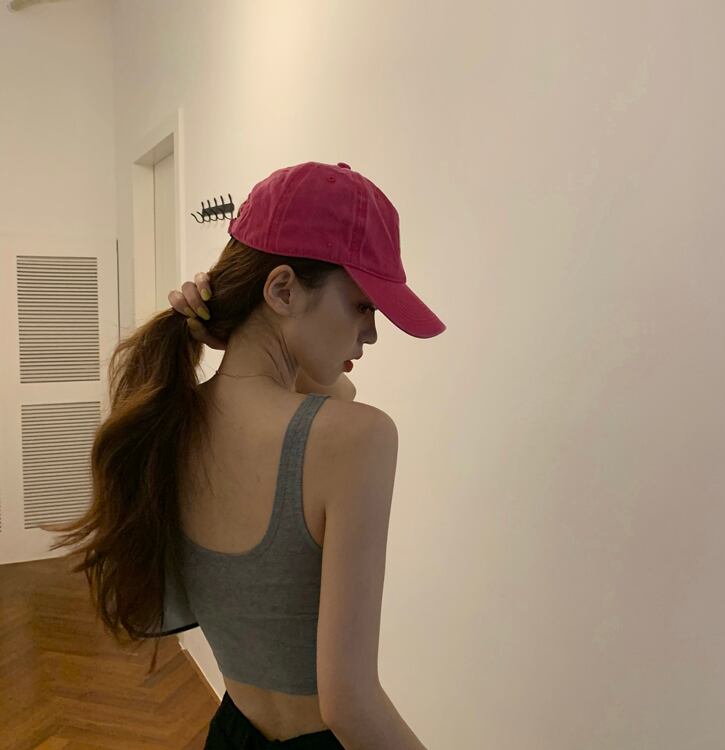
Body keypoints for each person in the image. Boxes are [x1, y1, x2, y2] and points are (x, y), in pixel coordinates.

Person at [46, 161, 445, 749]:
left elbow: (330, 392)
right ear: (282, 289)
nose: (372, 333)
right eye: (363, 306)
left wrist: (234, 338)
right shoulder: (359, 438)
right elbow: (350, 704)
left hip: (233, 732)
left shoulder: (173, 418)